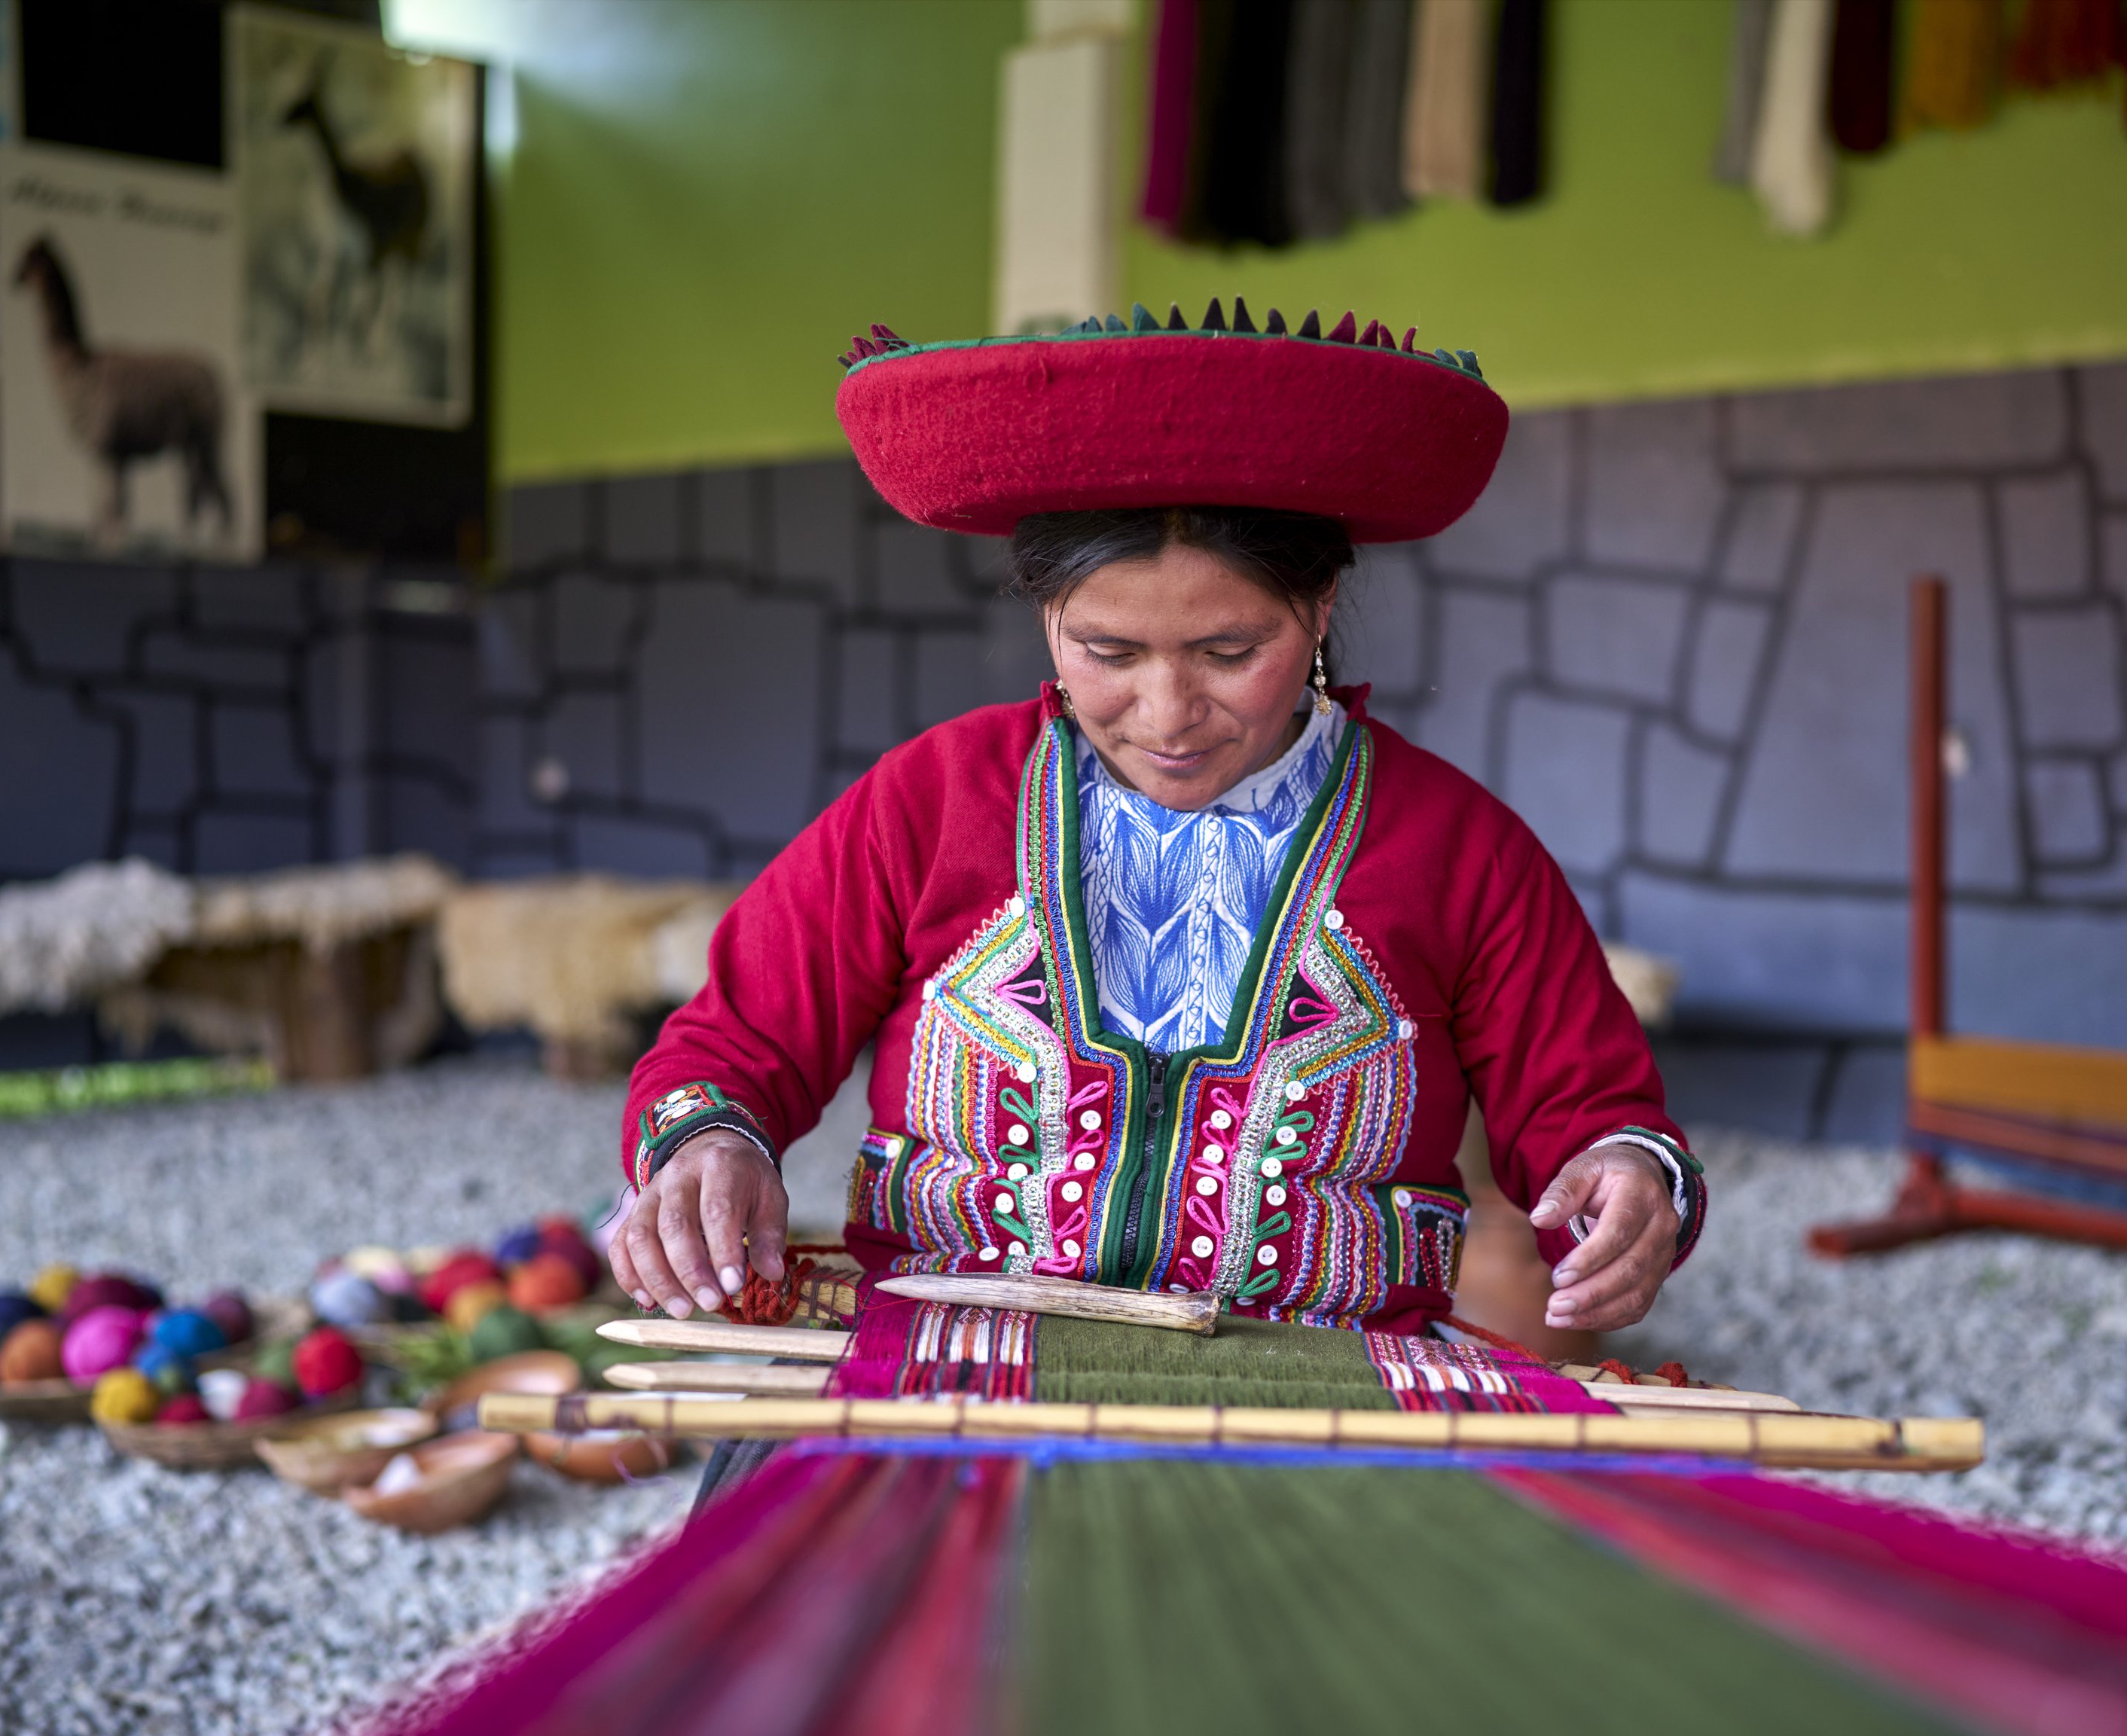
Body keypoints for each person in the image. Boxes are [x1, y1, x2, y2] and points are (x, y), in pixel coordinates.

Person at [610, 304, 1705, 1349]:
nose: (1169, 715)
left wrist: (1625, 1179)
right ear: (1048, 616)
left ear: (1321, 608)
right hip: (947, 1386)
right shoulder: (931, 802)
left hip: (1318, 1410)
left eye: (1231, 653)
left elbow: (1591, 1108)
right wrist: (710, 1143)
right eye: (1109, 653)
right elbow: (735, 1046)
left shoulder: (1461, 849)